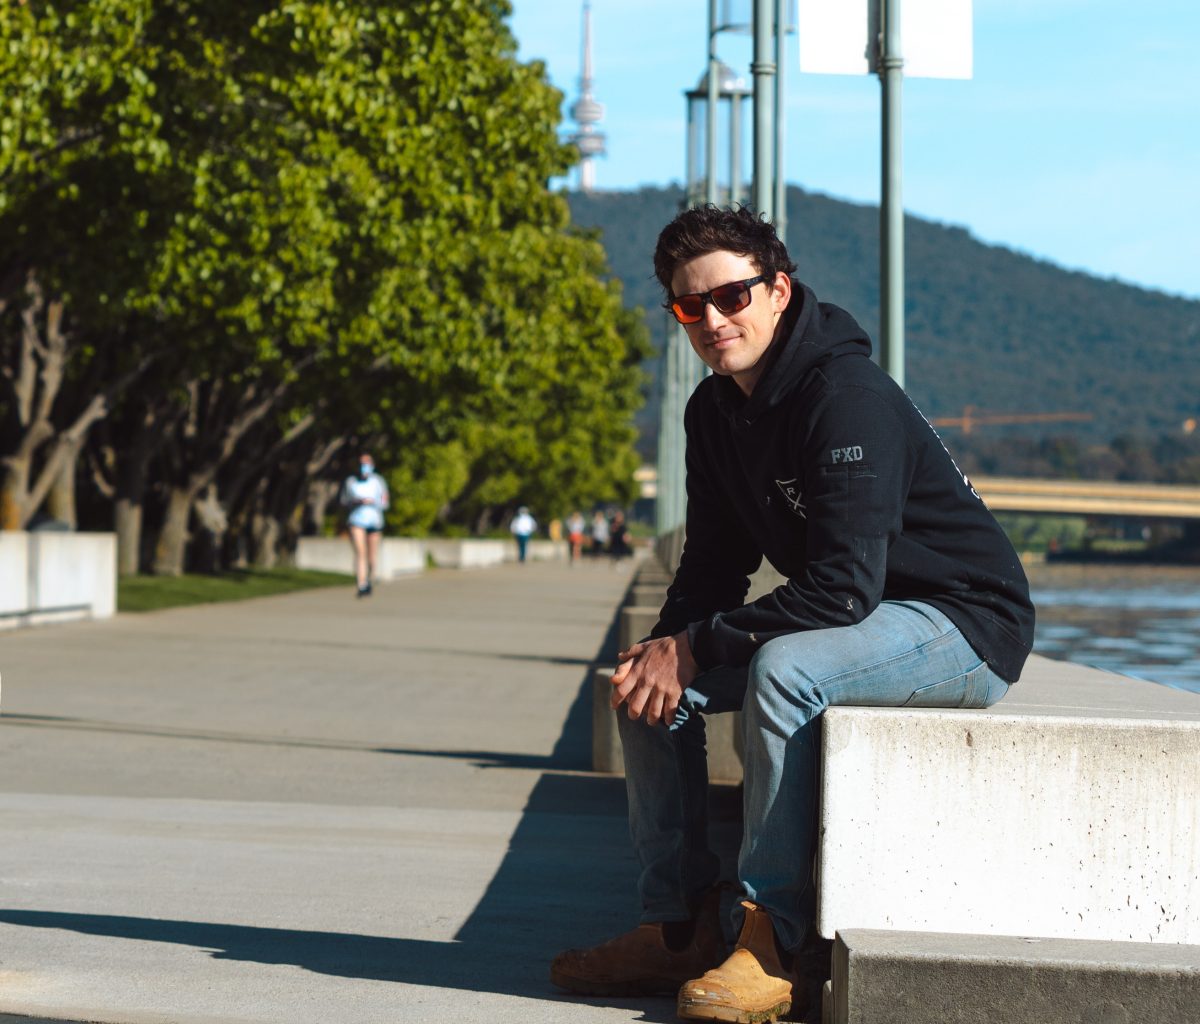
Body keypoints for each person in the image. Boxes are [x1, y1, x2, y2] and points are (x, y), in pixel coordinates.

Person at [550, 206, 1035, 1023]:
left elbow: (843, 586)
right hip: (863, 614)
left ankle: (772, 942)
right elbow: (712, 566)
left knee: (784, 670)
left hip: (960, 625)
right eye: (689, 306)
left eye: (732, 296)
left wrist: (701, 646)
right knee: (646, 679)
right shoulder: (713, 412)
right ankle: (676, 929)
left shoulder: (846, 396)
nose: (712, 320)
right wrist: (672, 647)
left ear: (779, 289)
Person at [340, 453, 389, 597]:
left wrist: (373, 502)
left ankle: (370, 577)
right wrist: (356, 502)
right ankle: (361, 584)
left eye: (367, 463)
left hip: (374, 521)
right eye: (362, 463)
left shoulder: (378, 481)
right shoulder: (351, 481)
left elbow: (385, 502)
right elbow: (344, 501)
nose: (364, 466)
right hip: (357, 520)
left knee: (371, 556)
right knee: (360, 553)